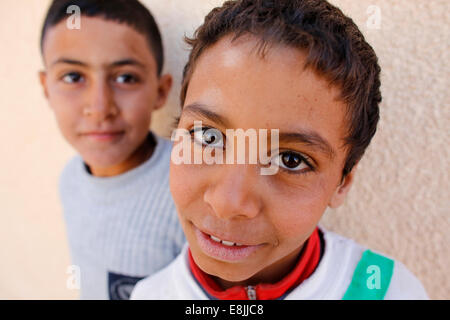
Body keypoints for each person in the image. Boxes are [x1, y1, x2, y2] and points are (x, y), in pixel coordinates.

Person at [131, 0, 428, 300]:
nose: (227, 203)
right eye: (208, 137)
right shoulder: (150, 295)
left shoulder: (388, 291)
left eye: (290, 160)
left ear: (343, 182)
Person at [39, 0, 185, 299]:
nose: (100, 108)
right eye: (73, 77)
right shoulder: (70, 180)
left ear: (160, 91)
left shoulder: (193, 188)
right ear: (46, 88)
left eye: (125, 78)